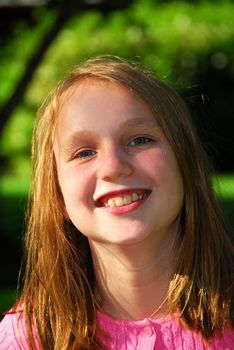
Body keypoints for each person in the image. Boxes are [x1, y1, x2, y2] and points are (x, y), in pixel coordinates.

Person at [0, 55, 233, 350]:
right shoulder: (27, 339)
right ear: (57, 196)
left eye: (139, 140)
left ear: (187, 165)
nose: (113, 166)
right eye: (84, 152)